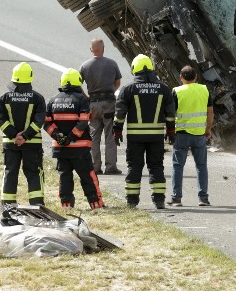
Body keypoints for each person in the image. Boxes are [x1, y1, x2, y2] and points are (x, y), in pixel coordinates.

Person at [114, 54, 176, 209]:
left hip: (135, 137)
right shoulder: (163, 89)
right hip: (156, 136)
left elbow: (120, 114)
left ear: (134, 69)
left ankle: (132, 201)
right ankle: (159, 200)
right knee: (156, 166)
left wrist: (117, 131)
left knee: (134, 167)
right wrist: (170, 131)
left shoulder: (128, 89)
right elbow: (170, 114)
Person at [45, 68, 105, 210]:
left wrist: (59, 137)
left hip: (61, 149)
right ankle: (96, 204)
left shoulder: (53, 100)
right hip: (79, 148)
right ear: (78, 82)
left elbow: (46, 122)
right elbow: (83, 121)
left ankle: (66, 205)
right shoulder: (81, 100)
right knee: (88, 177)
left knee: (64, 177)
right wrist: (71, 138)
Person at [0, 62, 47, 206]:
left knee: (10, 173)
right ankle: (37, 207)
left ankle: (7, 208)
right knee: (34, 174)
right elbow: (39, 121)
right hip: (32, 144)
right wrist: (25, 136)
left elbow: (0, 118)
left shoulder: (4, 98)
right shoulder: (37, 98)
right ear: (30, 77)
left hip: (11, 144)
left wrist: (13, 135)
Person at [169, 65, 213, 207]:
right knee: (201, 166)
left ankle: (177, 199)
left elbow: (170, 113)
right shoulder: (204, 90)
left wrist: (169, 131)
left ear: (181, 78)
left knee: (177, 166)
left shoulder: (176, 91)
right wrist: (208, 129)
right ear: (196, 77)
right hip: (199, 134)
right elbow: (210, 112)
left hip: (181, 134)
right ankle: (203, 198)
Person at [79, 38, 123, 175]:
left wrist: (87, 97)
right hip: (109, 103)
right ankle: (111, 167)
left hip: (93, 104)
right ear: (103, 49)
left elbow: (77, 84)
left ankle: (95, 167)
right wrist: (111, 91)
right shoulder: (112, 64)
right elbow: (117, 82)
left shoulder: (85, 66)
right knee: (110, 136)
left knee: (94, 136)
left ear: (91, 49)